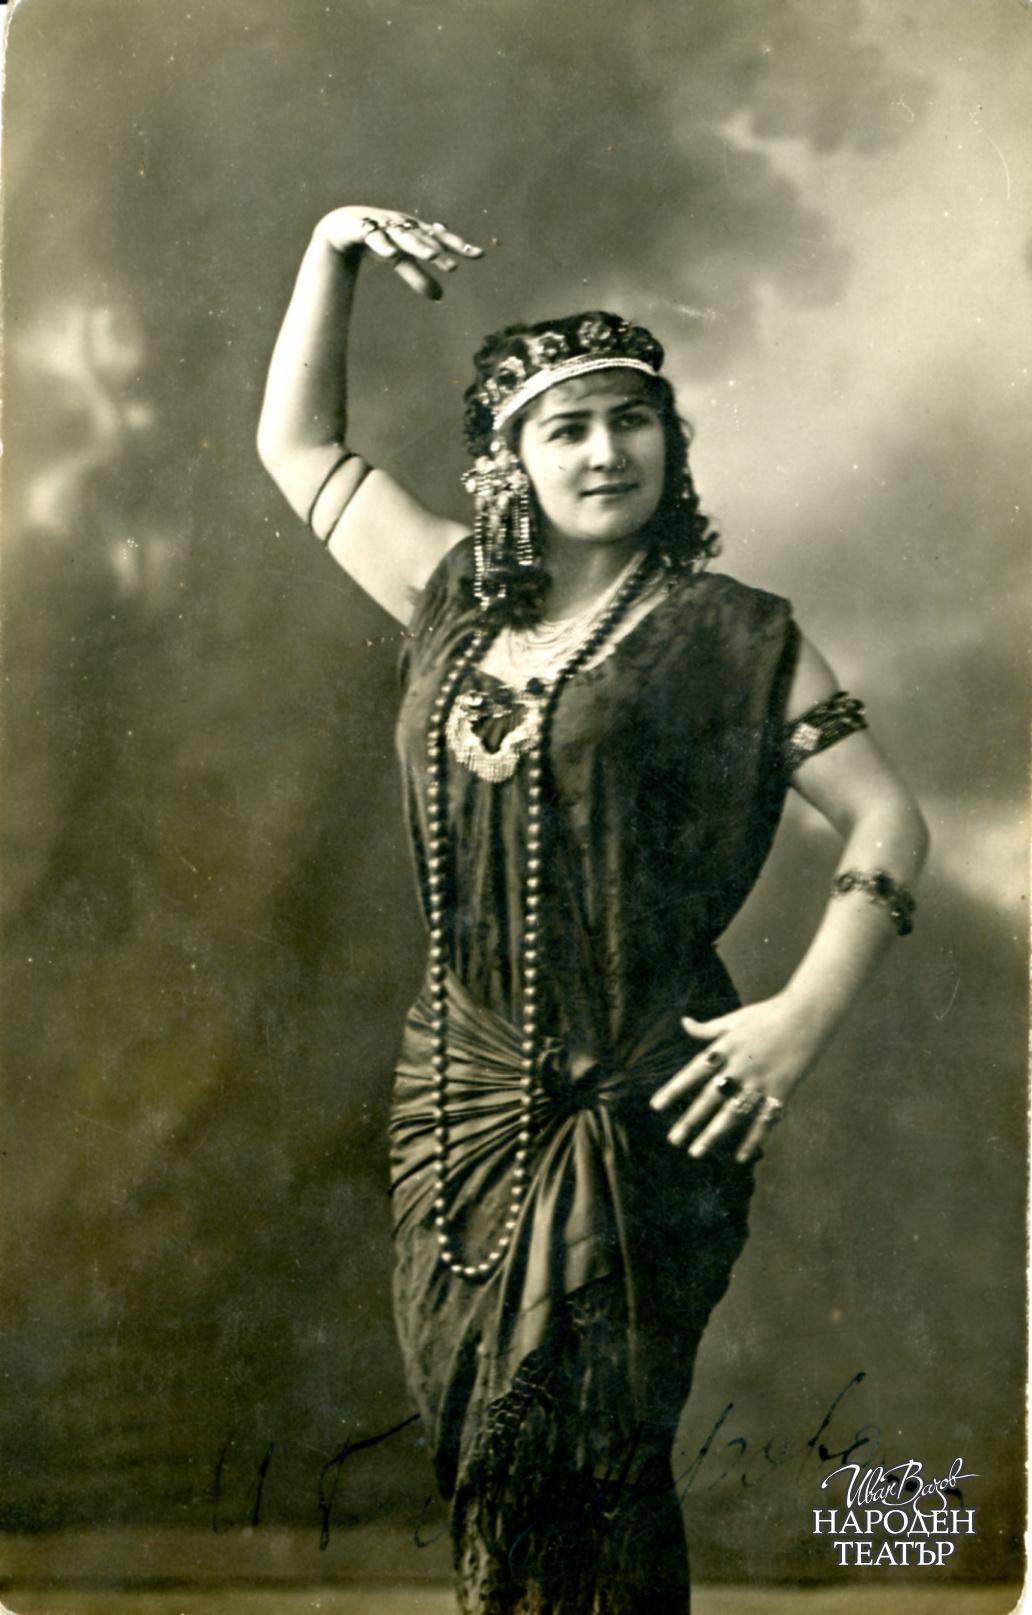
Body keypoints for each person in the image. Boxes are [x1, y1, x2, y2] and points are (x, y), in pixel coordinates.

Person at [257, 205, 930, 1614]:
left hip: (640, 1092)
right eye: (566, 429)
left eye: (635, 422)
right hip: (455, 1089)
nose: (607, 451)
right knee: (487, 1459)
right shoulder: (445, 592)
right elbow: (299, 448)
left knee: (585, 1456)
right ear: (508, 463)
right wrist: (331, 250)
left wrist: (800, 1018)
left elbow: (887, 818)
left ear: (671, 444)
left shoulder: (735, 633)